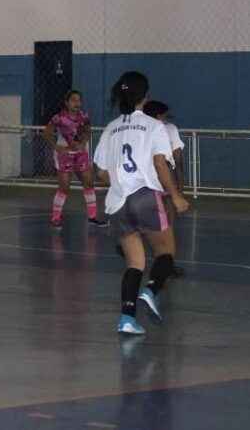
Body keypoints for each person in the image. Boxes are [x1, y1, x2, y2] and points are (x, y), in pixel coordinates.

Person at [93, 72, 189, 335]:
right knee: (166, 252)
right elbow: (160, 163)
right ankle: (151, 289)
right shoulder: (154, 126)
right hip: (145, 196)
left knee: (134, 262)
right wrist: (176, 195)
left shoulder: (111, 128)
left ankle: (126, 318)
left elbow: (99, 172)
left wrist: (120, 178)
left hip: (117, 202)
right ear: (145, 96)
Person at [43, 90, 107, 229]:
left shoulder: (84, 116)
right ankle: (55, 218)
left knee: (89, 183)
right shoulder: (58, 117)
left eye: (79, 100)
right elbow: (47, 132)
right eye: (73, 100)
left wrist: (83, 142)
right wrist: (56, 147)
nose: (77, 103)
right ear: (67, 102)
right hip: (65, 154)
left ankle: (92, 217)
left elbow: (88, 130)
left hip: (80, 153)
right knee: (64, 187)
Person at [144, 100, 186, 277]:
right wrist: (179, 183)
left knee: (147, 220)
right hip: (163, 177)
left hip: (144, 180)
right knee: (167, 221)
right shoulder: (169, 129)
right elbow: (177, 157)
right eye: (165, 115)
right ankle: (166, 263)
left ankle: (141, 253)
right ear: (159, 116)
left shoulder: (141, 130)